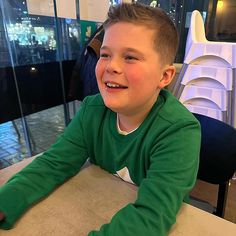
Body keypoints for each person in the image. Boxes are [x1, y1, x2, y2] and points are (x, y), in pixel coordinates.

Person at [0, 3, 201, 236]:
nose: (111, 66)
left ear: (164, 76)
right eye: (105, 54)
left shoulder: (179, 131)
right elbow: (54, 164)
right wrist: (6, 201)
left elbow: (152, 214)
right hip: (97, 203)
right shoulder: (91, 110)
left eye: (130, 57)